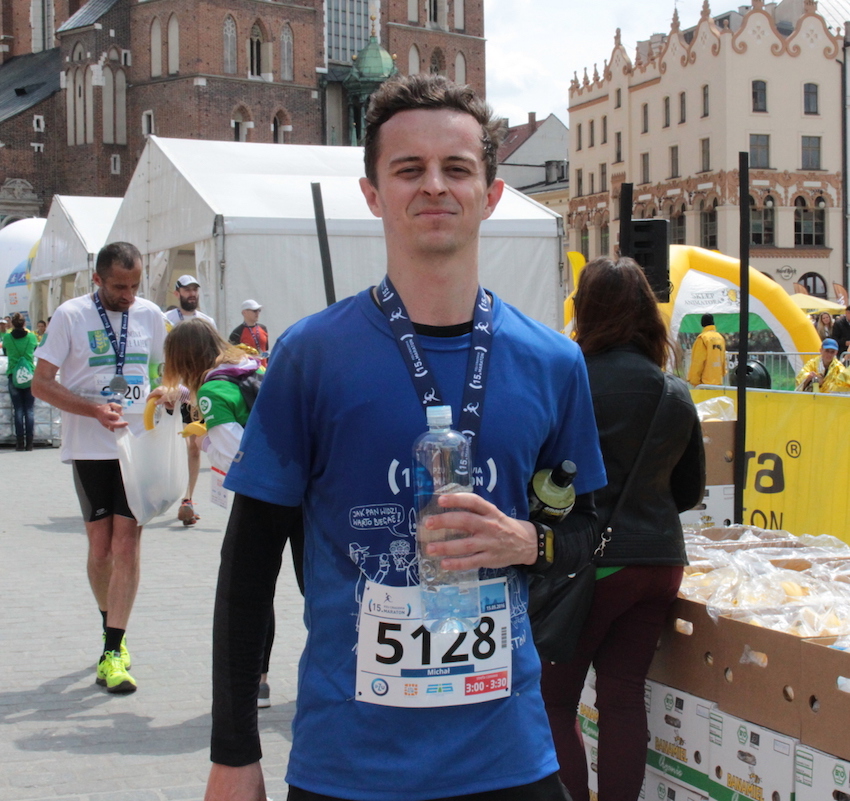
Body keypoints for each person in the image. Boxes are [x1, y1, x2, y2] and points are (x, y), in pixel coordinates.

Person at [204, 74, 607, 801]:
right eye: (409, 169)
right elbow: (248, 565)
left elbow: (591, 529)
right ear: (372, 193)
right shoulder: (311, 356)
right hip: (350, 764)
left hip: (508, 757)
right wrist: (233, 754)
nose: (434, 186)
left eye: (457, 168)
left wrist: (528, 542)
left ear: (491, 193)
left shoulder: (552, 361)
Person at [540, 257, 705, 801]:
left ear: (586, 311)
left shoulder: (570, 382)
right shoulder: (673, 391)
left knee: (554, 701)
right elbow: (689, 492)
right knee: (623, 696)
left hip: (588, 564)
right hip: (659, 562)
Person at [32, 241, 167, 694]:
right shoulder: (71, 315)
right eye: (118, 287)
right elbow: (41, 385)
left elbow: (166, 372)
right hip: (89, 448)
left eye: (135, 286)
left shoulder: (150, 315)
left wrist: (168, 392)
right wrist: (92, 410)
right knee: (101, 549)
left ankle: (113, 649)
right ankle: (111, 622)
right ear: (97, 279)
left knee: (127, 545)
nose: (128, 295)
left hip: (138, 448)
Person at [153, 318, 304, 709]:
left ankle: (257, 683)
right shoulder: (249, 365)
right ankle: (337, 674)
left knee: (250, 595)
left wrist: (203, 438)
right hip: (304, 486)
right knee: (316, 587)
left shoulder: (211, 392)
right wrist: (179, 394)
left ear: (183, 360)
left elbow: (238, 453)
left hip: (262, 497)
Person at [165, 275, 217, 526]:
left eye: (195, 289)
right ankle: (163, 493)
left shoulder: (207, 322)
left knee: (194, 445)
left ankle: (188, 499)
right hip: (168, 391)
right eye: (187, 290)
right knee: (168, 444)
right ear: (177, 294)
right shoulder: (165, 321)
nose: (192, 294)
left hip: (194, 392)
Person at [3, 312, 38, 450]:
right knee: (29, 409)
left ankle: (19, 442)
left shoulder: (7, 337)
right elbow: (35, 350)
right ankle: (30, 442)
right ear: (24, 323)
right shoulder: (31, 337)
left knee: (18, 409)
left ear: (12, 323)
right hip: (29, 375)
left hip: (13, 374)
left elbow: (5, 352)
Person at [686, 313, 726, 387]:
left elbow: (698, 361)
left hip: (704, 383)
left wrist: (694, 380)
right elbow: (723, 359)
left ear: (702, 323)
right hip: (718, 382)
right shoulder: (720, 338)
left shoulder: (703, 338)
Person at [228, 300, 269, 367]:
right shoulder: (237, 332)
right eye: (254, 311)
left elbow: (266, 350)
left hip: (264, 369)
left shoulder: (263, 328)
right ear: (244, 312)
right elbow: (232, 355)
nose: (257, 313)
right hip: (248, 370)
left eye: (259, 310)